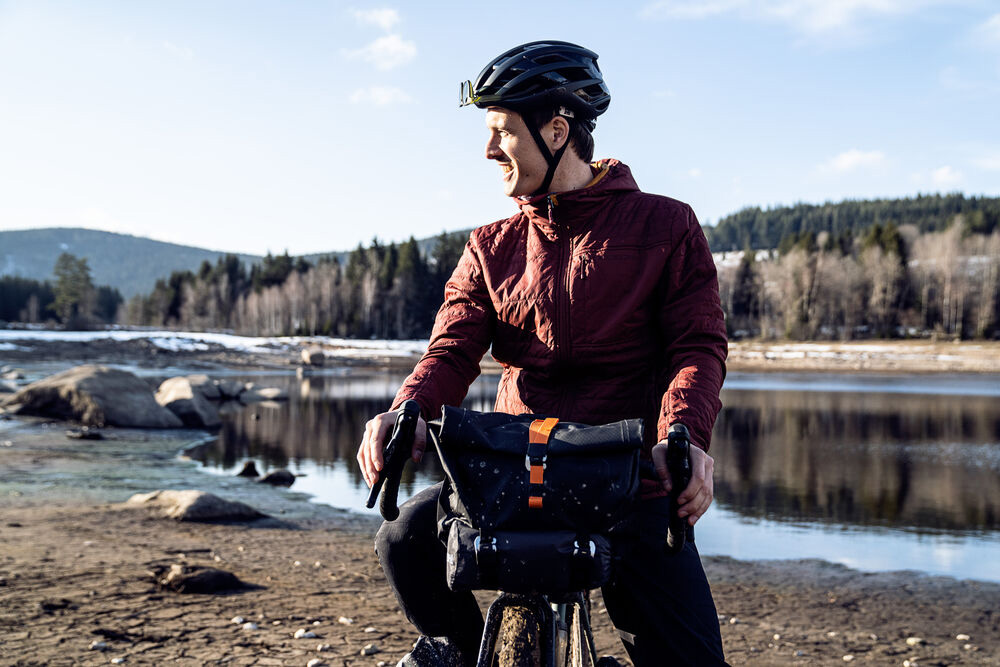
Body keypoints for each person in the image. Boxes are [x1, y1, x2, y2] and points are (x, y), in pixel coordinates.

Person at [357, 40, 729, 666]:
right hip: (511, 476)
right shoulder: (490, 246)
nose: (488, 150)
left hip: (626, 481)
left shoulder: (666, 226)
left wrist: (684, 436)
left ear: (557, 131)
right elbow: (452, 349)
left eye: (502, 131)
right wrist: (407, 411)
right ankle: (465, 655)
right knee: (401, 539)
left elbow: (697, 347)